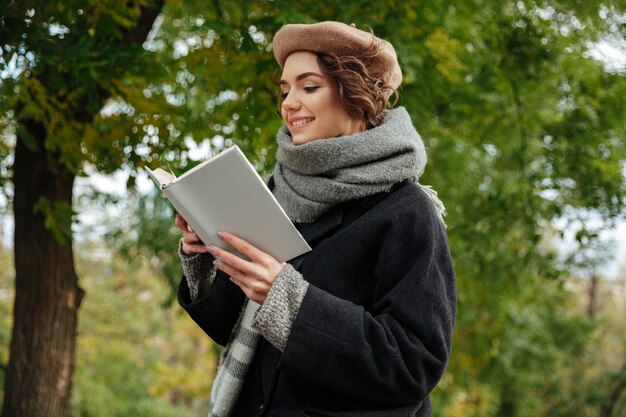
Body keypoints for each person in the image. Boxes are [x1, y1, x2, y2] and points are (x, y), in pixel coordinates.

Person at [175, 21, 456, 417]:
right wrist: (205, 252)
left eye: (309, 87)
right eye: (285, 89)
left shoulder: (407, 210)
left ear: (356, 94)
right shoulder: (277, 192)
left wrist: (286, 300)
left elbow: (411, 366)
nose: (289, 102)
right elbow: (230, 328)